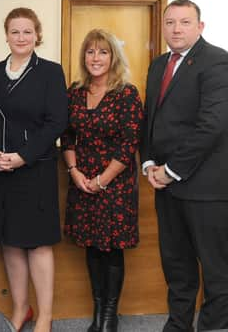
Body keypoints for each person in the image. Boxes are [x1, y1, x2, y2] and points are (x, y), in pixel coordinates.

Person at [141, 0, 228, 332]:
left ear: (200, 27)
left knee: (217, 271)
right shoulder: (157, 65)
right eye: (170, 22)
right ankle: (177, 326)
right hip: (166, 187)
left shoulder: (217, 62)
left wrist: (171, 169)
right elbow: (151, 119)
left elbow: (213, 125)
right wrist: (149, 162)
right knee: (176, 267)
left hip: (207, 188)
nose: (176, 29)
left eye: (185, 22)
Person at [0, 7, 67, 332]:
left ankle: (45, 315)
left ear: (37, 35)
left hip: (34, 169)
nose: (21, 37)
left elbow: (57, 121)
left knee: (38, 243)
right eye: (15, 31)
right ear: (6, 35)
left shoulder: (50, 72)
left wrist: (23, 156)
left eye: (27, 31)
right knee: (10, 241)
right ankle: (21, 310)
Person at [61, 29, 143, 332]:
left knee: (111, 248)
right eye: (91, 52)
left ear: (113, 57)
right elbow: (67, 135)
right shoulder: (75, 91)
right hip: (82, 182)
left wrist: (102, 180)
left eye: (103, 52)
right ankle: (98, 311)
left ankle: (109, 316)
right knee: (92, 247)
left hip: (115, 185)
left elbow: (128, 143)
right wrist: (75, 172)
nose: (96, 58)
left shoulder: (126, 93)